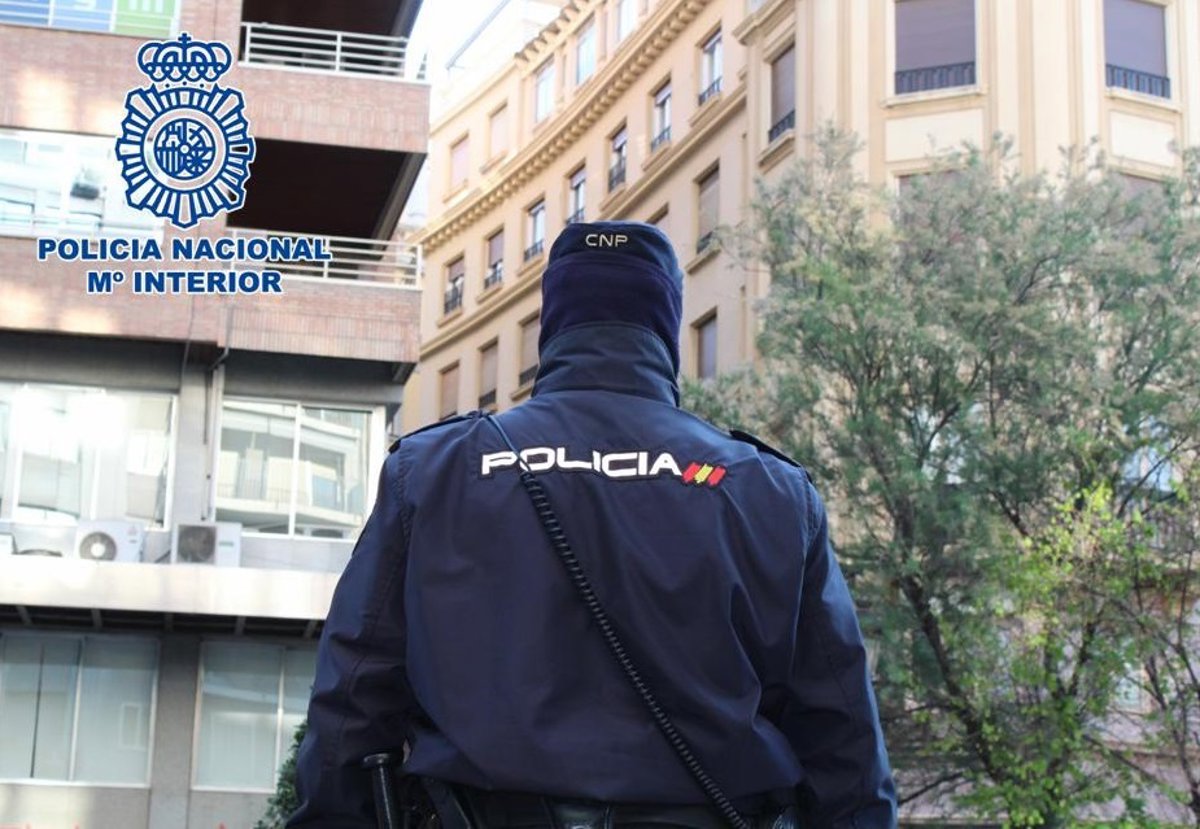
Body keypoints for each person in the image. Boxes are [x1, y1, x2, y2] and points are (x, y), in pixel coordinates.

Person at [288, 221, 897, 829]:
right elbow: (840, 729)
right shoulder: (768, 489)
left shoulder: (433, 470)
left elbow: (355, 690)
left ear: (553, 322)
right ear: (667, 325)